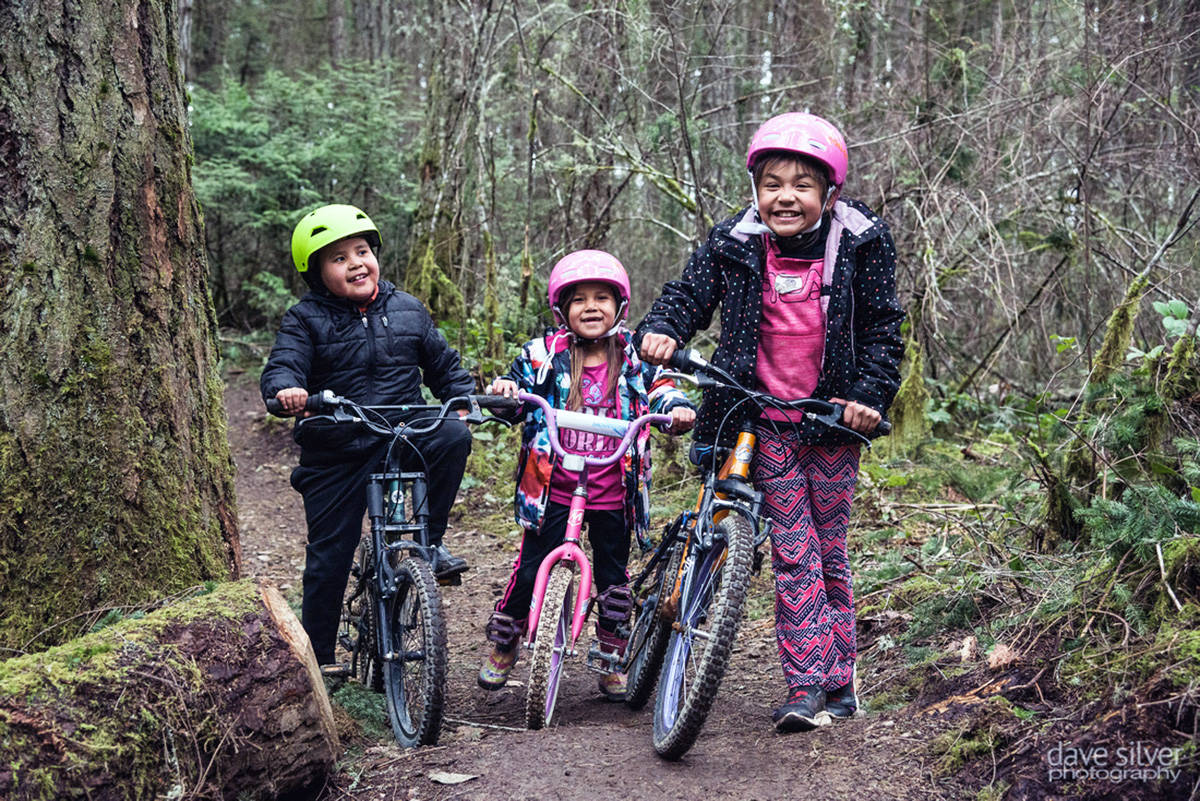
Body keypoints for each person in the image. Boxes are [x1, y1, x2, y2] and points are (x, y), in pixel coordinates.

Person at [636, 113, 905, 732]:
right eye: (773, 182)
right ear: (756, 187)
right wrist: (664, 329)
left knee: (829, 548)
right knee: (794, 548)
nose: (786, 196)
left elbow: (885, 328)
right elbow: (689, 293)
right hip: (761, 417)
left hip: (833, 420)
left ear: (828, 192)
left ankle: (841, 683)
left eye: (803, 185)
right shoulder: (734, 239)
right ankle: (808, 685)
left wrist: (867, 395)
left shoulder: (862, 239)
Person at [261, 203, 475, 670]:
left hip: (401, 432)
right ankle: (317, 661)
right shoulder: (305, 318)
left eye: (361, 251)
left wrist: (463, 399)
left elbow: (445, 370)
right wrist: (288, 391)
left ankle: (428, 542)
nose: (356, 262)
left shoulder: (408, 309)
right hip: (335, 446)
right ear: (318, 274)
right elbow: (283, 367)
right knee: (328, 559)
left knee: (453, 434)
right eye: (339, 258)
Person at [476, 250, 696, 700]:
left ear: (620, 306)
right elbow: (514, 390)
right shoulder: (544, 353)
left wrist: (674, 408)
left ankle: (612, 649)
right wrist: (505, 393)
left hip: (614, 488)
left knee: (614, 576)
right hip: (552, 485)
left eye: (601, 298)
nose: (591, 307)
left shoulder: (634, 354)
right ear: (562, 309)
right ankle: (506, 638)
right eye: (579, 300)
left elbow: (662, 387)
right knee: (531, 566)